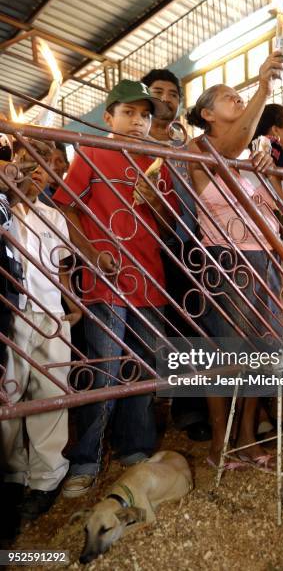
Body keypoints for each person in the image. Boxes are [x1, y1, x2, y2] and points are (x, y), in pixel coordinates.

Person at [54, 80, 179, 497]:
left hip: (151, 278)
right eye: (129, 113)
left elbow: (169, 229)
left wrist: (155, 201)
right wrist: (90, 252)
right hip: (105, 280)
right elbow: (66, 204)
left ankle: (135, 449)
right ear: (108, 117)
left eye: (145, 115)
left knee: (143, 367)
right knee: (105, 370)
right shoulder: (92, 150)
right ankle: (86, 459)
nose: (139, 121)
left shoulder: (157, 160)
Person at [186, 67, 283, 469]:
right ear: (207, 113)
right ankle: (218, 442)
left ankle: (246, 435)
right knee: (226, 351)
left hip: (263, 255)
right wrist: (263, 87)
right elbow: (228, 149)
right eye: (228, 96)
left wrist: (271, 173)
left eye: (240, 95)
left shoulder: (253, 151)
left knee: (263, 350)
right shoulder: (198, 148)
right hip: (228, 257)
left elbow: (279, 209)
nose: (238, 99)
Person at [0, 162, 81, 521]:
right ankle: (12, 475)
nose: (36, 171)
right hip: (10, 313)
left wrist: (71, 301)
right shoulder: (4, 211)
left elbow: (62, 266)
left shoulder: (54, 216)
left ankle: (46, 478)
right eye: (29, 161)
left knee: (50, 393)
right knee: (8, 395)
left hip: (50, 315)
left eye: (44, 166)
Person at [141, 68, 210, 441]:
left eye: (172, 94)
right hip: (146, 246)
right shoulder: (130, 140)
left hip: (189, 242)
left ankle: (193, 409)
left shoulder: (187, 148)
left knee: (190, 327)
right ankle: (148, 411)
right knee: (157, 331)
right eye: (157, 91)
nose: (166, 98)